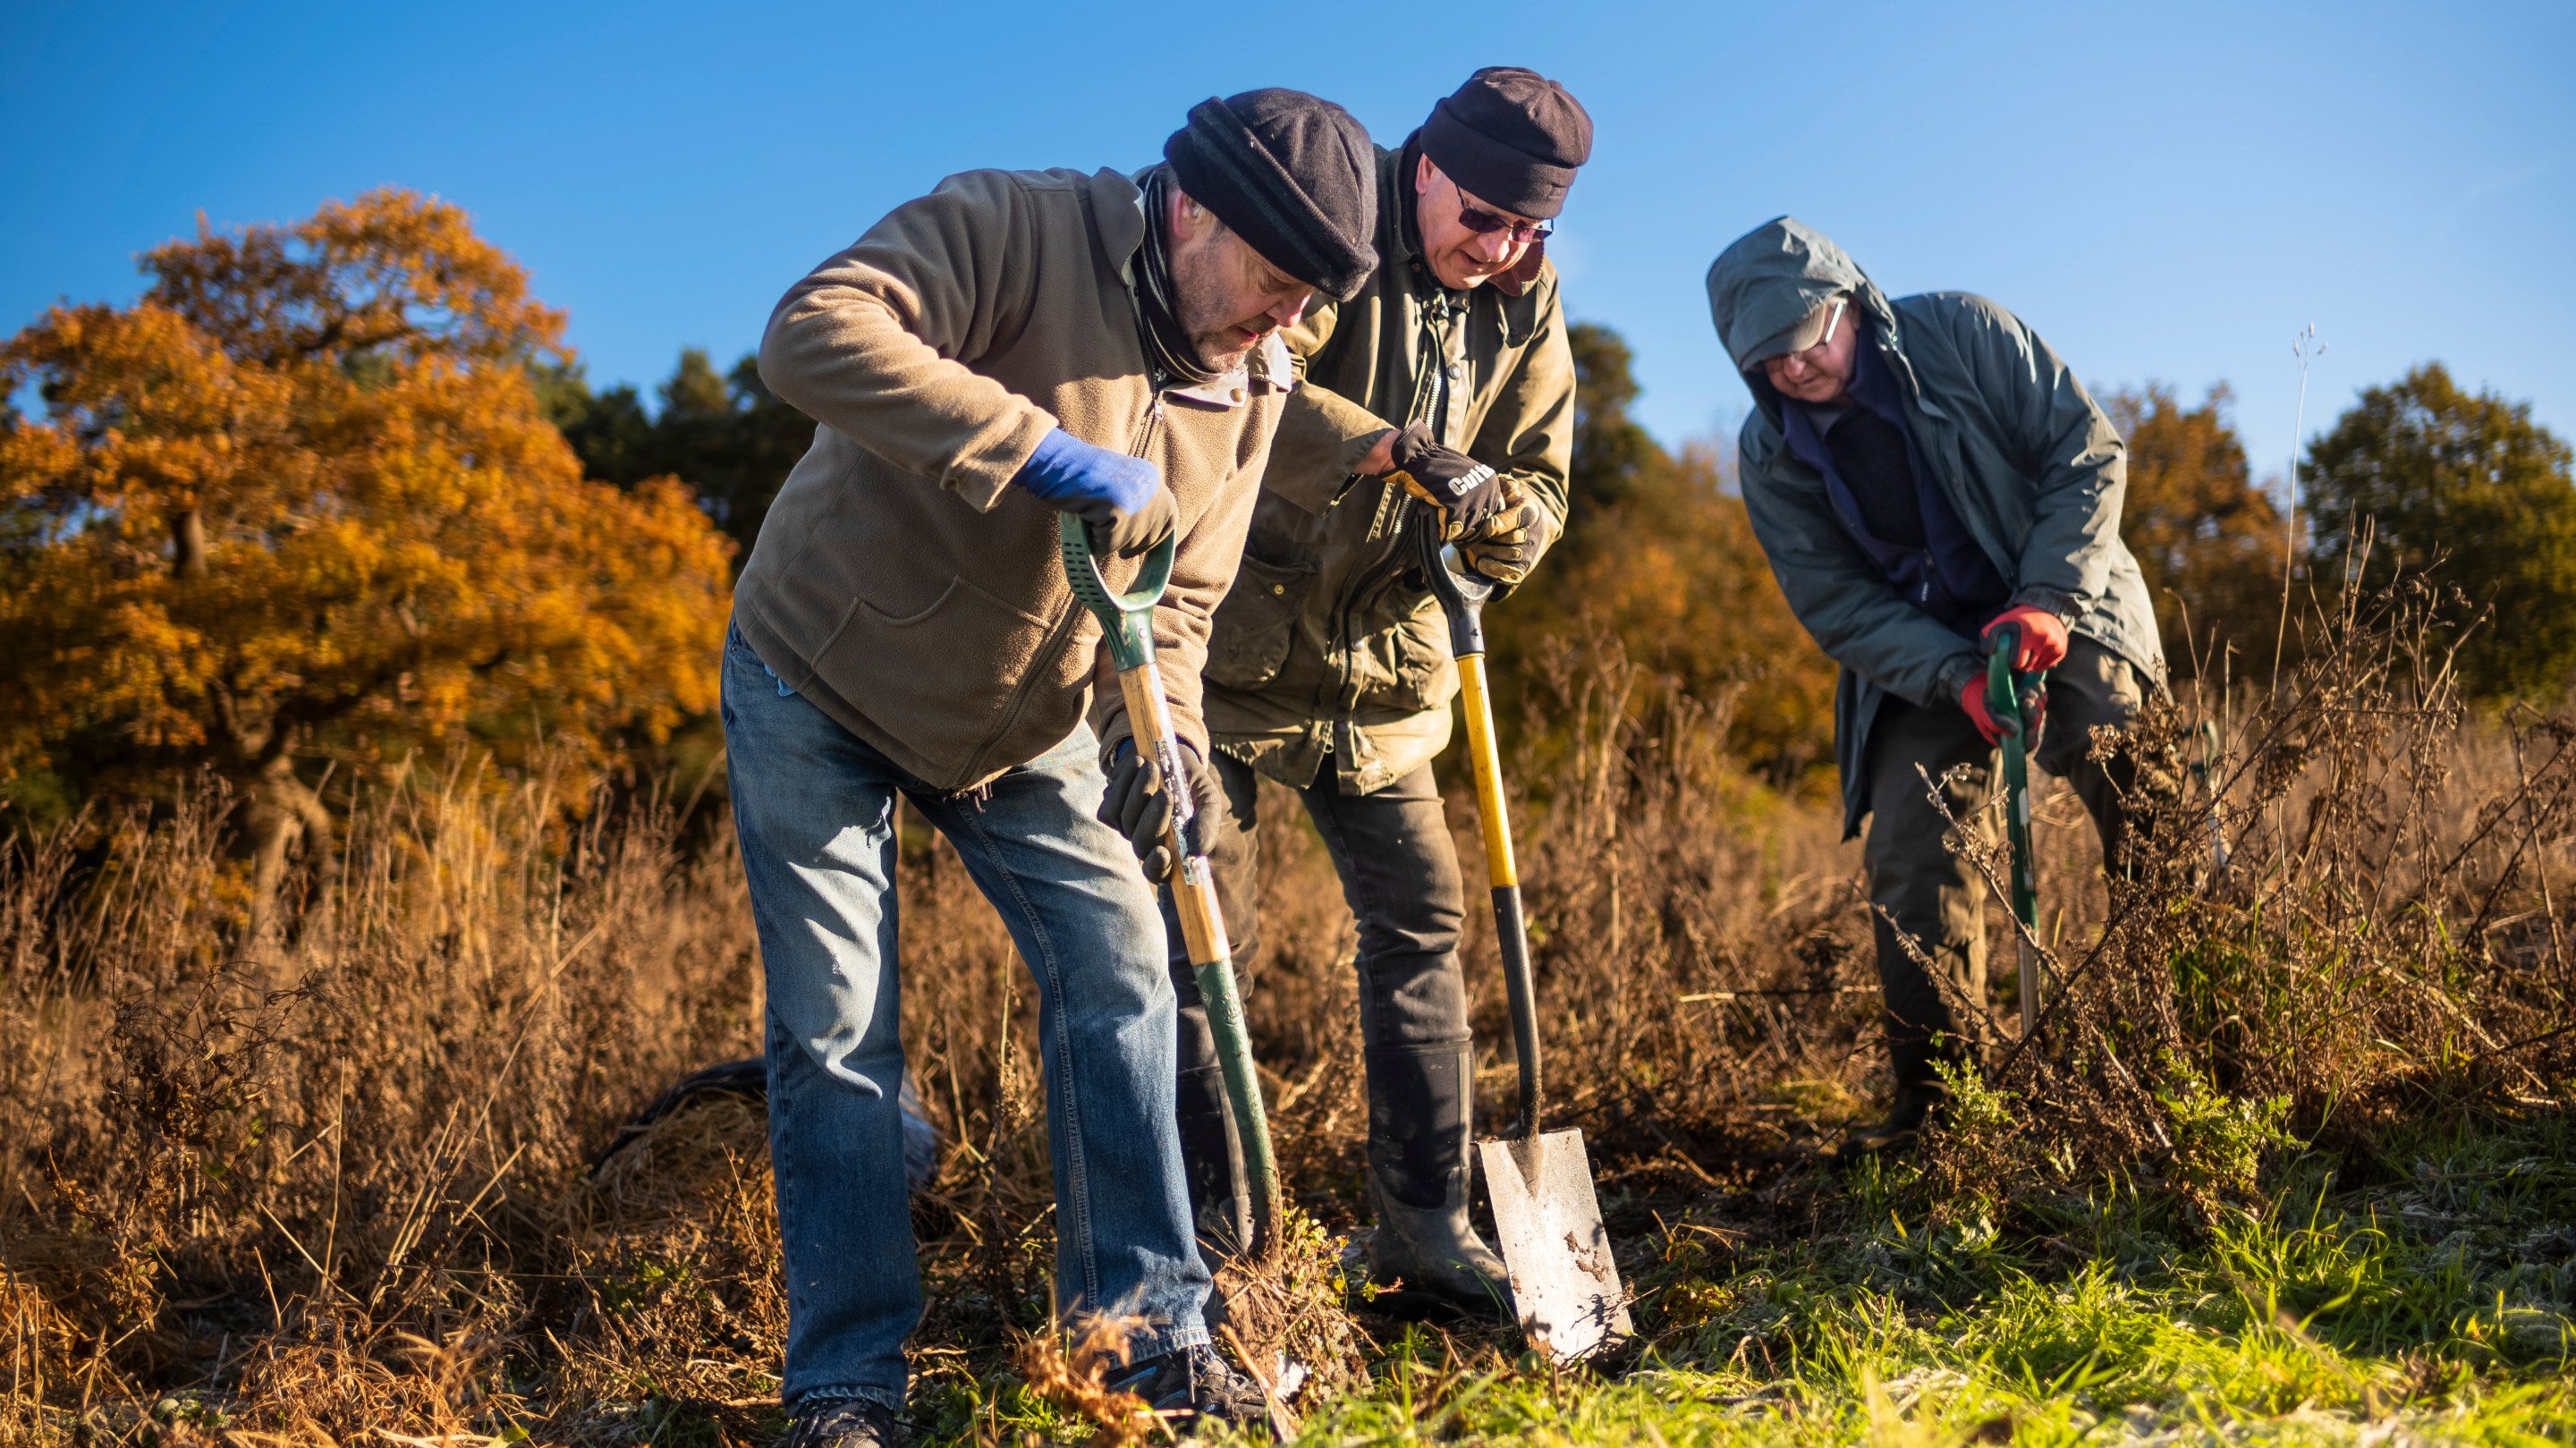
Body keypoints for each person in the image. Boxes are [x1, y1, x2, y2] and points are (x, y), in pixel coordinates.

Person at [725, 89, 1377, 1447]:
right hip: (823, 668)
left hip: (1021, 726)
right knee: (841, 1025)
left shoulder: (1255, 381)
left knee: (1123, 962)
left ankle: (1143, 1335)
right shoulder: (1020, 226)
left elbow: (1183, 603)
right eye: (1272, 281)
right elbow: (811, 332)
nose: (1285, 322)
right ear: (1193, 209)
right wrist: (1029, 445)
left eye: (1309, 297)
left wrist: (1176, 741)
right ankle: (846, 1382)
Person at [1147, 66, 1589, 1317]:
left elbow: (1545, 474)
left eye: (1529, 228)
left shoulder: (1522, 293)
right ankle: (1225, 1251)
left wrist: (1504, 520)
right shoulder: (1336, 219)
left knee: (1420, 922)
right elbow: (1257, 382)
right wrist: (1394, 449)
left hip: (1384, 673)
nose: (1499, 247)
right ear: (1430, 167)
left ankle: (1427, 1222)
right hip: (1233, 645)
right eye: (1484, 214)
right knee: (1198, 933)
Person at [1705, 216, 2168, 1158]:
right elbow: (1833, 601)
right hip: (1927, 652)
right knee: (1915, 853)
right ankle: (1946, 1115)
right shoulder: (1770, 453)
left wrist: (2047, 598)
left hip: (2063, 595)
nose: (1792, 368)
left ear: (1849, 304)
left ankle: (2198, 1054)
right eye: (1767, 358)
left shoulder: (1963, 332)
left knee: (2149, 788)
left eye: (1805, 339)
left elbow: (2087, 453)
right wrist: (1956, 675)